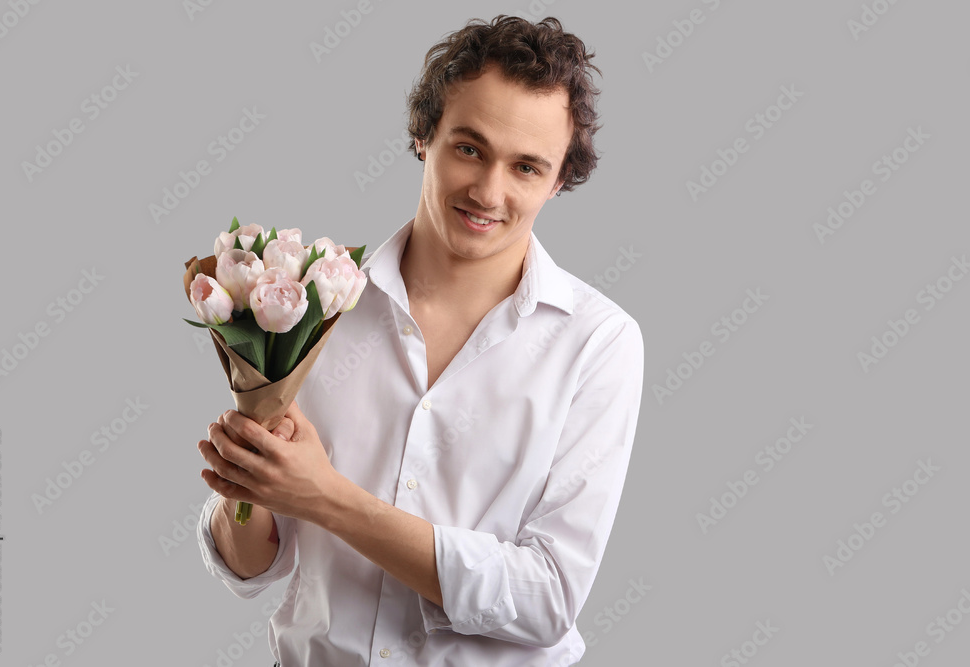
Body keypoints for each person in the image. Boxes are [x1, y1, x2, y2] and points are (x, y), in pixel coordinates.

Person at [196, 15, 643, 666]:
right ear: (423, 135)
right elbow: (250, 567)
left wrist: (325, 497)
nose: (489, 190)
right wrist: (247, 483)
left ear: (559, 178)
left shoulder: (599, 343)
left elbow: (547, 597)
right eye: (469, 148)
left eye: (526, 166)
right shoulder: (313, 304)